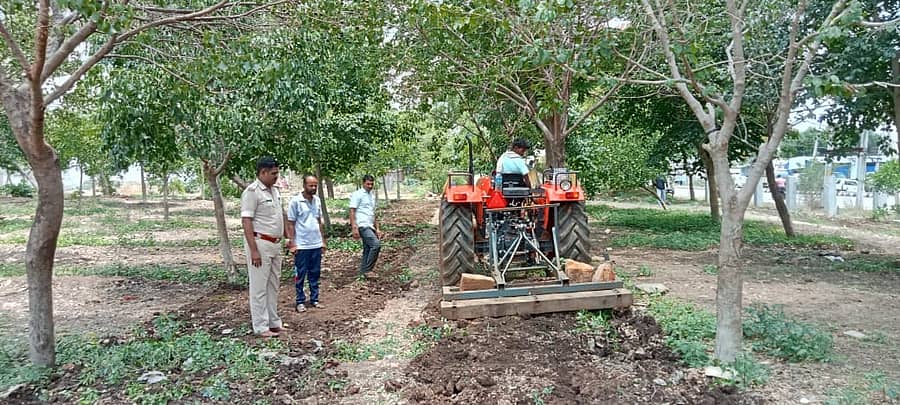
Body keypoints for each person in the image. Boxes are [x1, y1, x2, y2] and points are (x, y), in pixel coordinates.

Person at [240, 156, 290, 338]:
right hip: (260, 244)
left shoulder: (274, 191)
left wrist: (289, 237)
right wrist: (254, 250)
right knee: (259, 287)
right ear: (263, 172)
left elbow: (280, 215)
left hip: (275, 244)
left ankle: (274, 322)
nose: (276, 177)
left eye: (277, 173)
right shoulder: (252, 192)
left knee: (273, 285)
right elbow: (246, 221)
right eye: (273, 174)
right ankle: (261, 326)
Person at [287, 175, 327, 313]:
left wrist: (322, 241)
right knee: (300, 274)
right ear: (304, 185)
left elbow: (318, 221)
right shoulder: (295, 201)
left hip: (315, 243)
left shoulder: (317, 200)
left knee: (315, 273)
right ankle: (300, 301)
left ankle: (314, 299)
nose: (314, 188)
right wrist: (292, 243)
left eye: (315, 185)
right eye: (311, 185)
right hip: (302, 245)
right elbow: (290, 223)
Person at [350, 174, 383, 279]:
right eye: (368, 184)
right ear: (363, 183)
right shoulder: (357, 194)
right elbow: (352, 211)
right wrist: (354, 227)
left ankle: (363, 272)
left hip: (370, 225)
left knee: (368, 248)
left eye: (372, 184)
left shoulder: (372, 196)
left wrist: (377, 228)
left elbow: (373, 213)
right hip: (362, 225)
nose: (370, 186)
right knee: (376, 245)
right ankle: (368, 270)